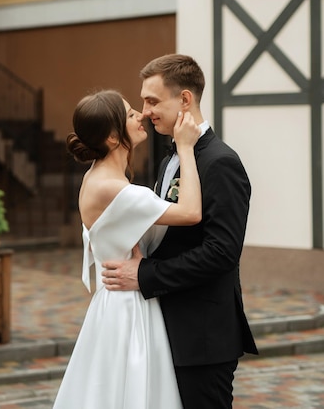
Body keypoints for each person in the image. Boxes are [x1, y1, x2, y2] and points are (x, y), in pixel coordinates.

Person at [101, 54, 259, 408]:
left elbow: (222, 252)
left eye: (153, 101)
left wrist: (145, 275)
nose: (144, 111)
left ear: (184, 99)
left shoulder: (221, 163)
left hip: (201, 335)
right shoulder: (168, 158)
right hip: (165, 328)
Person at [52, 89, 202, 409]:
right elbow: (191, 213)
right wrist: (186, 148)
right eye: (130, 113)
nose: (141, 115)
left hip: (115, 300)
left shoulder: (98, 177)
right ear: (111, 136)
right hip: (128, 306)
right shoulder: (114, 188)